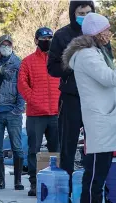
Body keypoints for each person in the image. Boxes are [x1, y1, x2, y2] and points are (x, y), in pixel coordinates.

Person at [62, 13, 115, 203]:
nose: (109, 33)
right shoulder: (87, 55)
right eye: (106, 30)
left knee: (100, 173)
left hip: (106, 119)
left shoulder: (97, 51)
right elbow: (109, 78)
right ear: (97, 33)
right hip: (99, 121)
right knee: (95, 175)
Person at [47, 0, 95, 186]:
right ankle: (65, 187)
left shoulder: (98, 33)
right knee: (68, 143)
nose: (84, 17)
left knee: (96, 145)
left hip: (95, 98)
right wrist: (72, 65)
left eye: (88, 13)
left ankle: (93, 186)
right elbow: (52, 67)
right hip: (71, 96)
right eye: (80, 13)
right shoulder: (62, 35)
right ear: (73, 13)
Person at [18, 27, 60, 196]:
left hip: (56, 113)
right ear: (36, 40)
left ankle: (55, 182)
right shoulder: (27, 61)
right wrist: (34, 100)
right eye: (43, 38)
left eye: (50, 38)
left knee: (55, 150)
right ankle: (35, 184)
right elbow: (22, 84)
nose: (47, 41)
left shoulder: (58, 61)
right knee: (34, 150)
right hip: (36, 114)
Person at [0, 35, 25, 190]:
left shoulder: (18, 63)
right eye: (2, 45)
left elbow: (22, 87)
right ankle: (0, 180)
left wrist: (18, 109)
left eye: (8, 45)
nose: (5, 47)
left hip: (12, 111)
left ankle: (18, 181)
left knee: (17, 147)